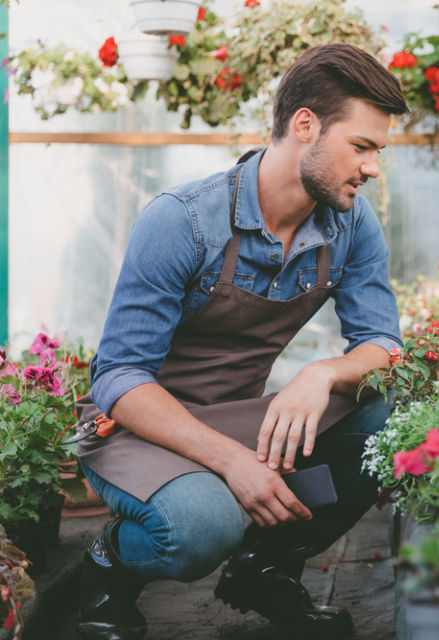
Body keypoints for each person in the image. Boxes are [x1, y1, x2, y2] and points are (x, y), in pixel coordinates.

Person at [73, 43, 408, 640]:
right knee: (203, 526)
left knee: (391, 416)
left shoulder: (350, 223)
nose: (373, 167)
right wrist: (233, 464)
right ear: (305, 126)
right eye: (362, 146)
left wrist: (323, 373)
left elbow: (382, 342)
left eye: (377, 150)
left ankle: (265, 568)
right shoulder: (183, 221)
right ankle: (111, 566)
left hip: (238, 417)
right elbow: (119, 378)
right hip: (136, 428)